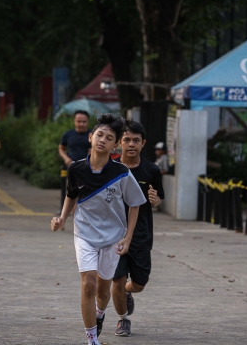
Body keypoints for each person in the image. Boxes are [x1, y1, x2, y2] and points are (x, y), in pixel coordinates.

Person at [51, 114, 146, 345]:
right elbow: (71, 194)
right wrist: (62, 218)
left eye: (109, 138)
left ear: (115, 145)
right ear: (91, 137)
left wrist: (128, 236)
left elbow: (135, 204)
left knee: (103, 292)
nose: (103, 140)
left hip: (113, 237)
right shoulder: (76, 168)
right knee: (89, 284)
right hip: (84, 233)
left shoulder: (121, 173)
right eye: (99, 135)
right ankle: (91, 340)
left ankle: (100, 314)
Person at [111, 120, 164, 337]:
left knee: (139, 283)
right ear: (119, 143)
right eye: (126, 140)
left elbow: (159, 198)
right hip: (114, 234)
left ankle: (126, 293)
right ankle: (122, 319)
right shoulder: (110, 168)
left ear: (143, 143)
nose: (131, 144)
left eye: (136, 140)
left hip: (142, 234)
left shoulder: (152, 169)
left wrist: (155, 200)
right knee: (117, 279)